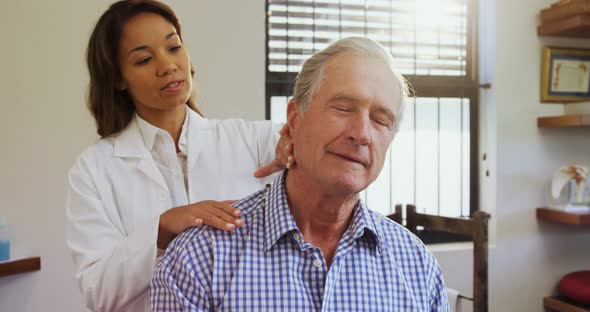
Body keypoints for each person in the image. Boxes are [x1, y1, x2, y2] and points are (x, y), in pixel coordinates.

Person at [151, 37, 450, 311]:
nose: (361, 134)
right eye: (343, 108)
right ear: (294, 118)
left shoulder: (417, 267)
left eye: (381, 121)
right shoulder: (199, 259)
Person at [65, 1, 292, 311]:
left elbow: (314, 137)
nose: (168, 65)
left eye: (173, 47)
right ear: (118, 79)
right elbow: (98, 293)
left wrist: (294, 144)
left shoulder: (251, 139)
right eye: (144, 59)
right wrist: (161, 229)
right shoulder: (93, 170)